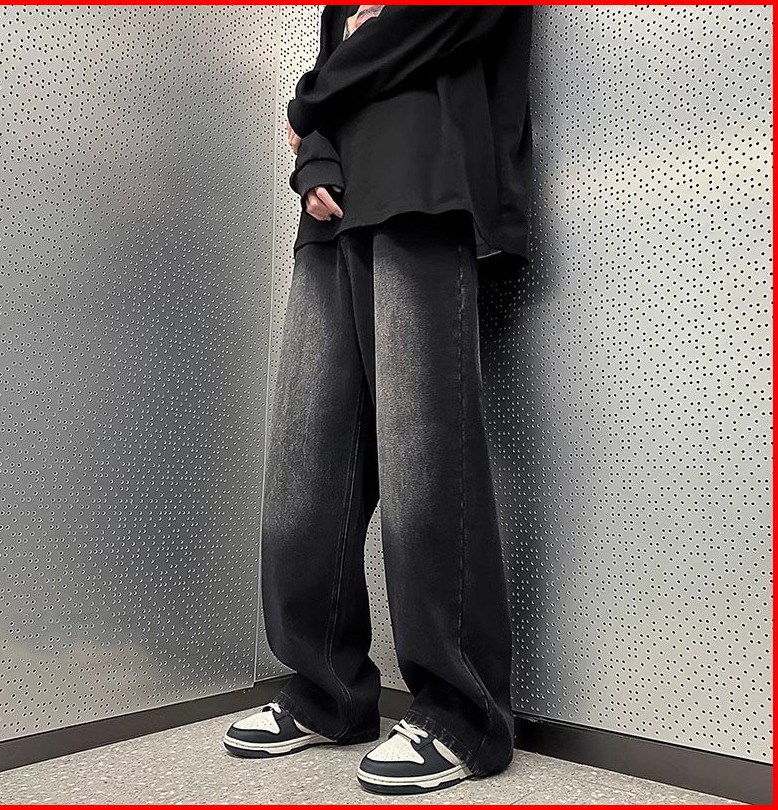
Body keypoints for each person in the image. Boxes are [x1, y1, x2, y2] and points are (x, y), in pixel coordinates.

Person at [223, 3, 534, 796]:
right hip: (333, 219)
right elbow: (333, 88)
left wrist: (308, 100)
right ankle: (326, 693)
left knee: (424, 456)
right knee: (306, 468)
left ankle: (461, 715)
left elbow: (443, 22)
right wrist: (312, 157)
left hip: (424, 187)